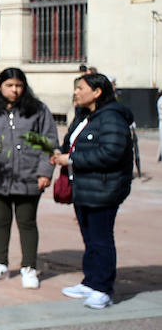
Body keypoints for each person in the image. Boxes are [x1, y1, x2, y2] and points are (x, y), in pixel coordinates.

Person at [52, 73, 134, 309]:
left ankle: (103, 288)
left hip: (104, 188)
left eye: (80, 88)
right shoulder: (84, 116)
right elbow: (72, 144)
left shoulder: (111, 118)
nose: (76, 92)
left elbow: (111, 153)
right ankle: (90, 281)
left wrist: (72, 159)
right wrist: (60, 153)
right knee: (89, 238)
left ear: (97, 92)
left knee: (101, 239)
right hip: (84, 187)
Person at [0, 68, 57, 289]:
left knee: (27, 222)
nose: (14, 90)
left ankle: (28, 266)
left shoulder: (37, 110)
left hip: (28, 176)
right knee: (1, 221)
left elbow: (48, 142)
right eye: (9, 85)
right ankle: (0, 262)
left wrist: (44, 172)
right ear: (0, 86)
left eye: (18, 85)